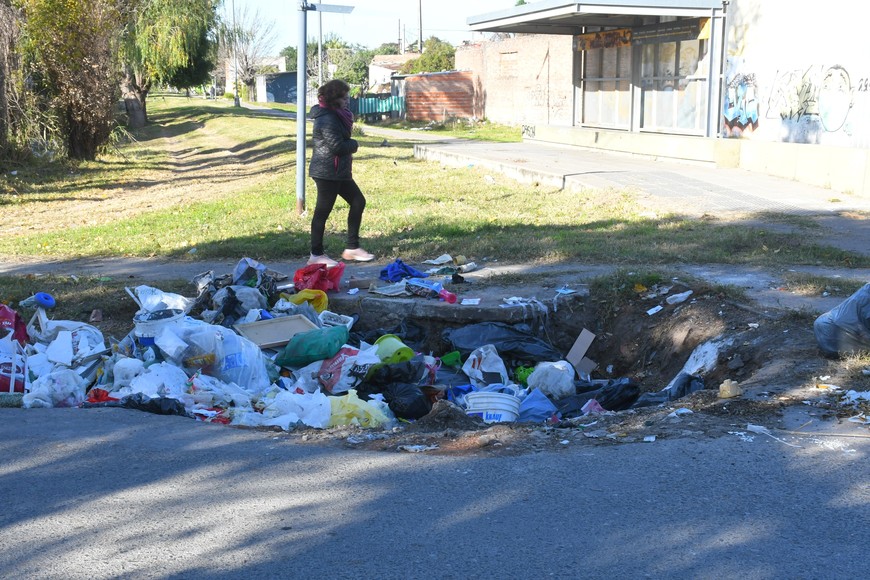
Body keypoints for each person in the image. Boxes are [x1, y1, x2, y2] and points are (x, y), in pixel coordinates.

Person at [306, 79, 374, 266]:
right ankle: (316, 255)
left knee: (358, 201)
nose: (347, 100)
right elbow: (337, 147)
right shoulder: (327, 118)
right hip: (327, 172)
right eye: (344, 97)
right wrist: (355, 144)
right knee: (322, 213)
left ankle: (352, 248)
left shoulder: (336, 115)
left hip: (338, 171)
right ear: (335, 99)